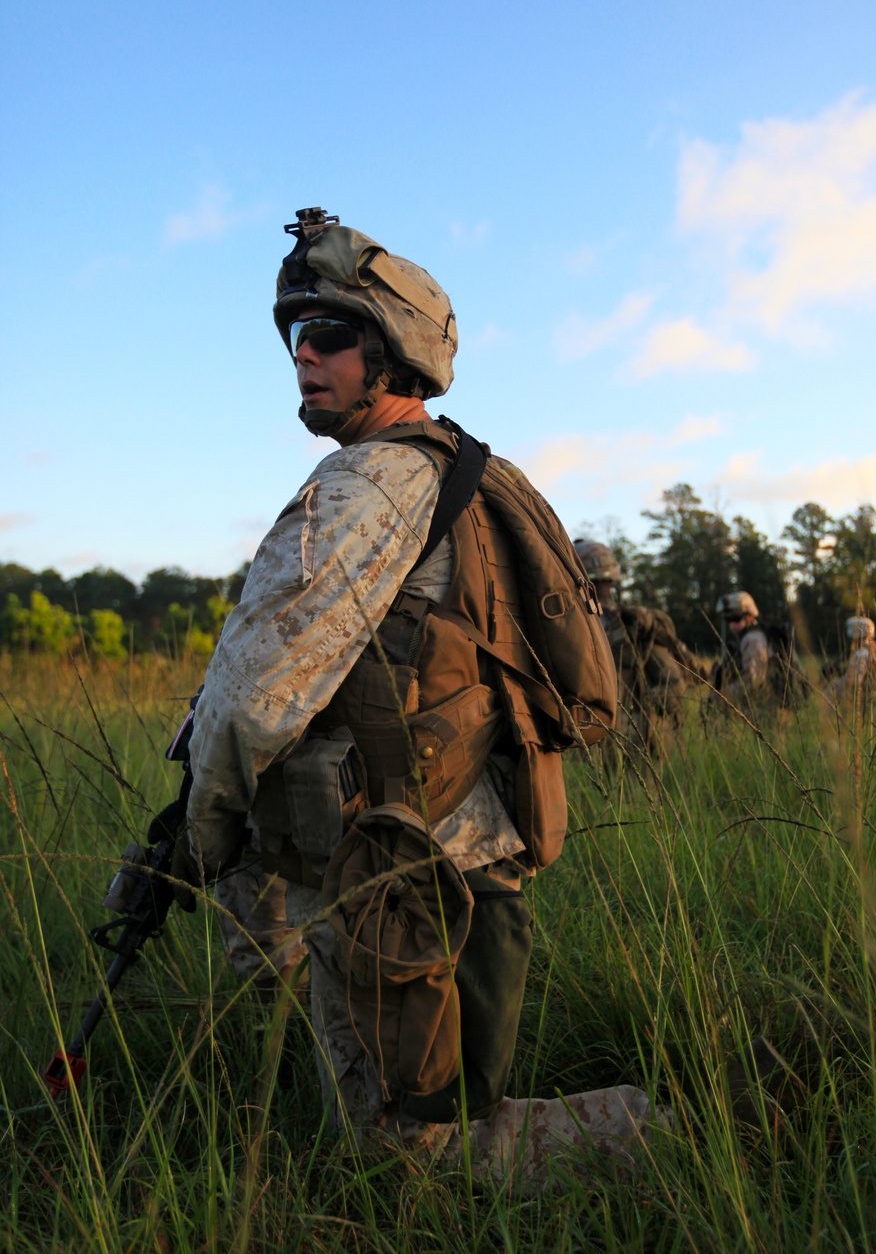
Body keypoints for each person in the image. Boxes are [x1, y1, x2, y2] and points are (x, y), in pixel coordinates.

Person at [171, 209, 662, 1183]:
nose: (304, 355)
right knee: (412, 1113)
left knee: (417, 1157)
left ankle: (680, 1136)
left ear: (395, 348)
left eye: (332, 334)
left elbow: (248, 698)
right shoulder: (485, 476)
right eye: (294, 336)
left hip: (400, 878)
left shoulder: (363, 486)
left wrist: (201, 829)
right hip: (472, 859)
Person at [574, 539, 704, 756]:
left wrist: (643, 710)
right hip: (630, 738)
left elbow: (671, 686)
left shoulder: (634, 625)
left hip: (633, 740)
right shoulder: (626, 623)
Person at [714, 591, 806, 712]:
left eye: (736, 619)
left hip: (766, 708)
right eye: (728, 620)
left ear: (750, 616)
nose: (732, 625)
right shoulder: (747, 638)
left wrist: (723, 696)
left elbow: (753, 679)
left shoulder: (752, 640)